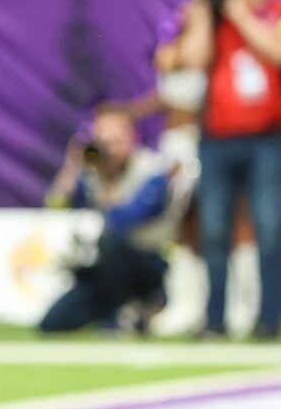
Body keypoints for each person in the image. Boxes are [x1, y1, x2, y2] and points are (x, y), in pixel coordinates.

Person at [185, 0, 281, 339]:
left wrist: (241, 13)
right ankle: (215, 320)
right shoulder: (215, 12)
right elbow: (193, 59)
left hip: (266, 138)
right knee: (215, 231)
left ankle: (270, 320)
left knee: (269, 229)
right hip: (218, 135)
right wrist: (205, 8)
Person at [40, 107, 179, 334]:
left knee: (112, 243)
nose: (109, 150)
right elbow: (56, 204)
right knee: (53, 323)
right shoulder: (93, 174)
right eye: (102, 142)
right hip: (106, 272)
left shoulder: (151, 171)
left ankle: (124, 314)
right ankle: (120, 314)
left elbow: (125, 221)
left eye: (115, 141)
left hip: (145, 265)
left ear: (131, 140)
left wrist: (109, 186)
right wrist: (73, 166)